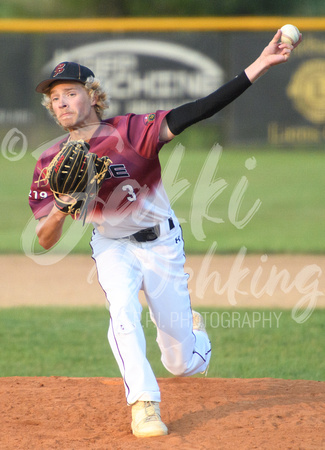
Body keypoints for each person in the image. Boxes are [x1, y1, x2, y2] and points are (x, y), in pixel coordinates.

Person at [29, 29, 301, 438]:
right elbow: (45, 239)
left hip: (160, 245)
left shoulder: (134, 131)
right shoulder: (50, 161)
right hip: (111, 246)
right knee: (121, 310)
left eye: (69, 92)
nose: (61, 102)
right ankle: (144, 405)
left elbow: (201, 109)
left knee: (183, 363)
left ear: (92, 94)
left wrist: (260, 64)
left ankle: (195, 336)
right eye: (54, 97)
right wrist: (64, 207)